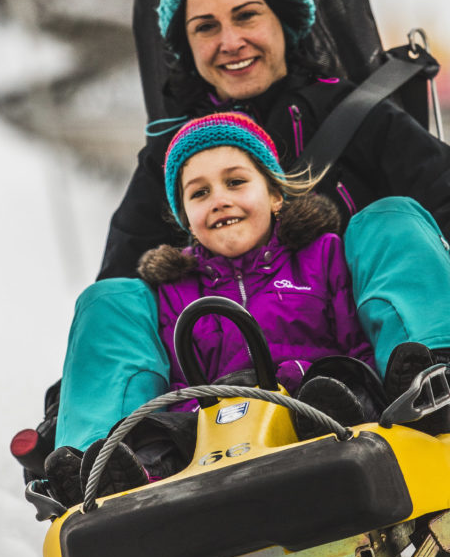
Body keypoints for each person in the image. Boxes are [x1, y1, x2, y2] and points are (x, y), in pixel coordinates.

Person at [49, 0, 450, 478]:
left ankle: (437, 374)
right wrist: (76, 391)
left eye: (246, 15)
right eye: (205, 27)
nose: (230, 41)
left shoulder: (359, 117)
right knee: (110, 296)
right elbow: (119, 288)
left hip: (355, 360)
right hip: (214, 400)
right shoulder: (173, 158)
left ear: (282, 20)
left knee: (389, 218)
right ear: (186, 45)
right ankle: (100, 455)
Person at [46, 112, 383, 505]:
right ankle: (126, 479)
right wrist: (203, 406)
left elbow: (355, 345)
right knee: (161, 427)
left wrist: (308, 379)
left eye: (236, 182)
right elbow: (177, 382)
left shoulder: (321, 255)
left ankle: (333, 425)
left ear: (275, 195)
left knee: (340, 380)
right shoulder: (174, 291)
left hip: (307, 396)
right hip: (216, 423)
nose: (219, 200)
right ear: (185, 217)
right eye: (199, 193)